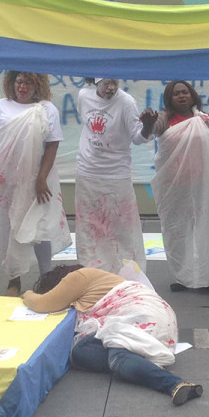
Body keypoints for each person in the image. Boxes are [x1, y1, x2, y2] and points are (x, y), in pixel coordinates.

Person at [22, 265, 202, 406]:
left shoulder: (78, 277)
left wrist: (27, 295)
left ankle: (174, 384)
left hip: (143, 314)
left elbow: (43, 304)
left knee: (119, 359)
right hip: (149, 315)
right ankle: (137, 362)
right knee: (79, 351)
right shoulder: (94, 280)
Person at [0, 71, 70, 297]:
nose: (22, 86)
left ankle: (46, 277)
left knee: (39, 228)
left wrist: (41, 178)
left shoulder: (47, 109)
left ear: (38, 85)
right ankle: (14, 280)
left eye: (29, 82)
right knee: (7, 228)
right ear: (11, 83)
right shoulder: (1, 106)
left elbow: (52, 146)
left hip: (37, 180)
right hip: (5, 181)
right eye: (19, 81)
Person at [143, 80, 209, 293]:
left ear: (192, 96)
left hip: (202, 185)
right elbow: (151, 131)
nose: (181, 96)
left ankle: (208, 277)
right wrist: (147, 124)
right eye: (176, 94)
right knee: (177, 231)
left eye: (185, 92)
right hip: (175, 186)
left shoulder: (202, 119)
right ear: (169, 99)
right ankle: (182, 277)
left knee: (205, 229)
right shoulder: (164, 119)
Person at [74, 77, 151, 274]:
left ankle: (127, 274)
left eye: (115, 83)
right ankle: (91, 272)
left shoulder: (126, 102)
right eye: (106, 83)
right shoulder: (83, 96)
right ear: (96, 83)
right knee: (89, 228)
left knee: (122, 229)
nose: (111, 88)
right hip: (87, 172)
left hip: (116, 175)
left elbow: (138, 138)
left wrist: (148, 127)